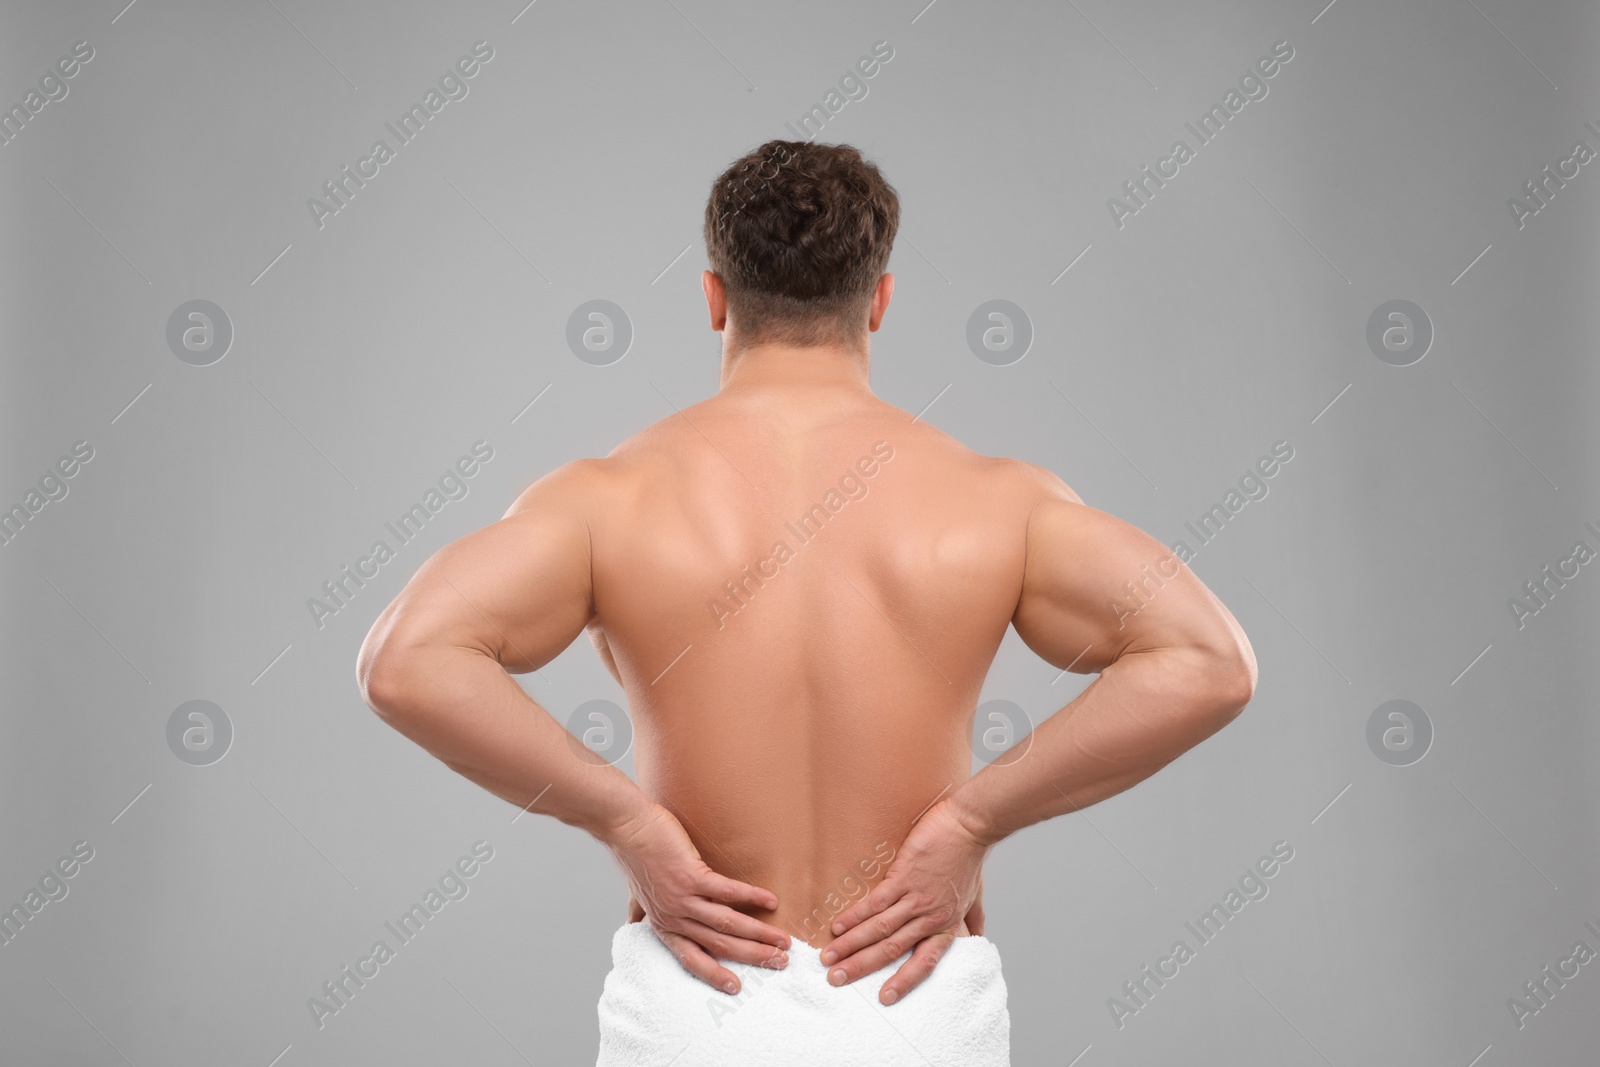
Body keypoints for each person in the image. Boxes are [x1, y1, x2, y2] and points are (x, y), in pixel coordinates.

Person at [357, 140, 1256, 1065]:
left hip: (699, 996)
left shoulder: (608, 498)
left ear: (712, 297)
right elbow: (1209, 662)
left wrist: (623, 820)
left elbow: (406, 660)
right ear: (879, 298)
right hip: (914, 998)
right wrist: (973, 820)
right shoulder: (996, 499)